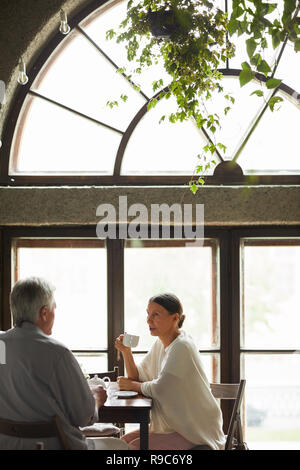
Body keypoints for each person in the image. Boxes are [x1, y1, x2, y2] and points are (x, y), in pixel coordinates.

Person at [0, 277, 128, 450]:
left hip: (7, 444)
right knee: (121, 447)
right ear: (44, 313)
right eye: (54, 307)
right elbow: (82, 417)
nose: (55, 311)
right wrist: (95, 399)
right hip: (54, 445)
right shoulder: (56, 352)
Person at [115, 293, 226, 450]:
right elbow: (137, 377)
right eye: (148, 314)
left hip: (193, 429)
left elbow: (161, 388)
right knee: (121, 442)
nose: (148, 320)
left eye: (156, 314)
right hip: (173, 425)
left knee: (132, 447)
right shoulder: (160, 343)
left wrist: (132, 385)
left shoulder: (182, 346)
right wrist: (127, 352)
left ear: (175, 318)